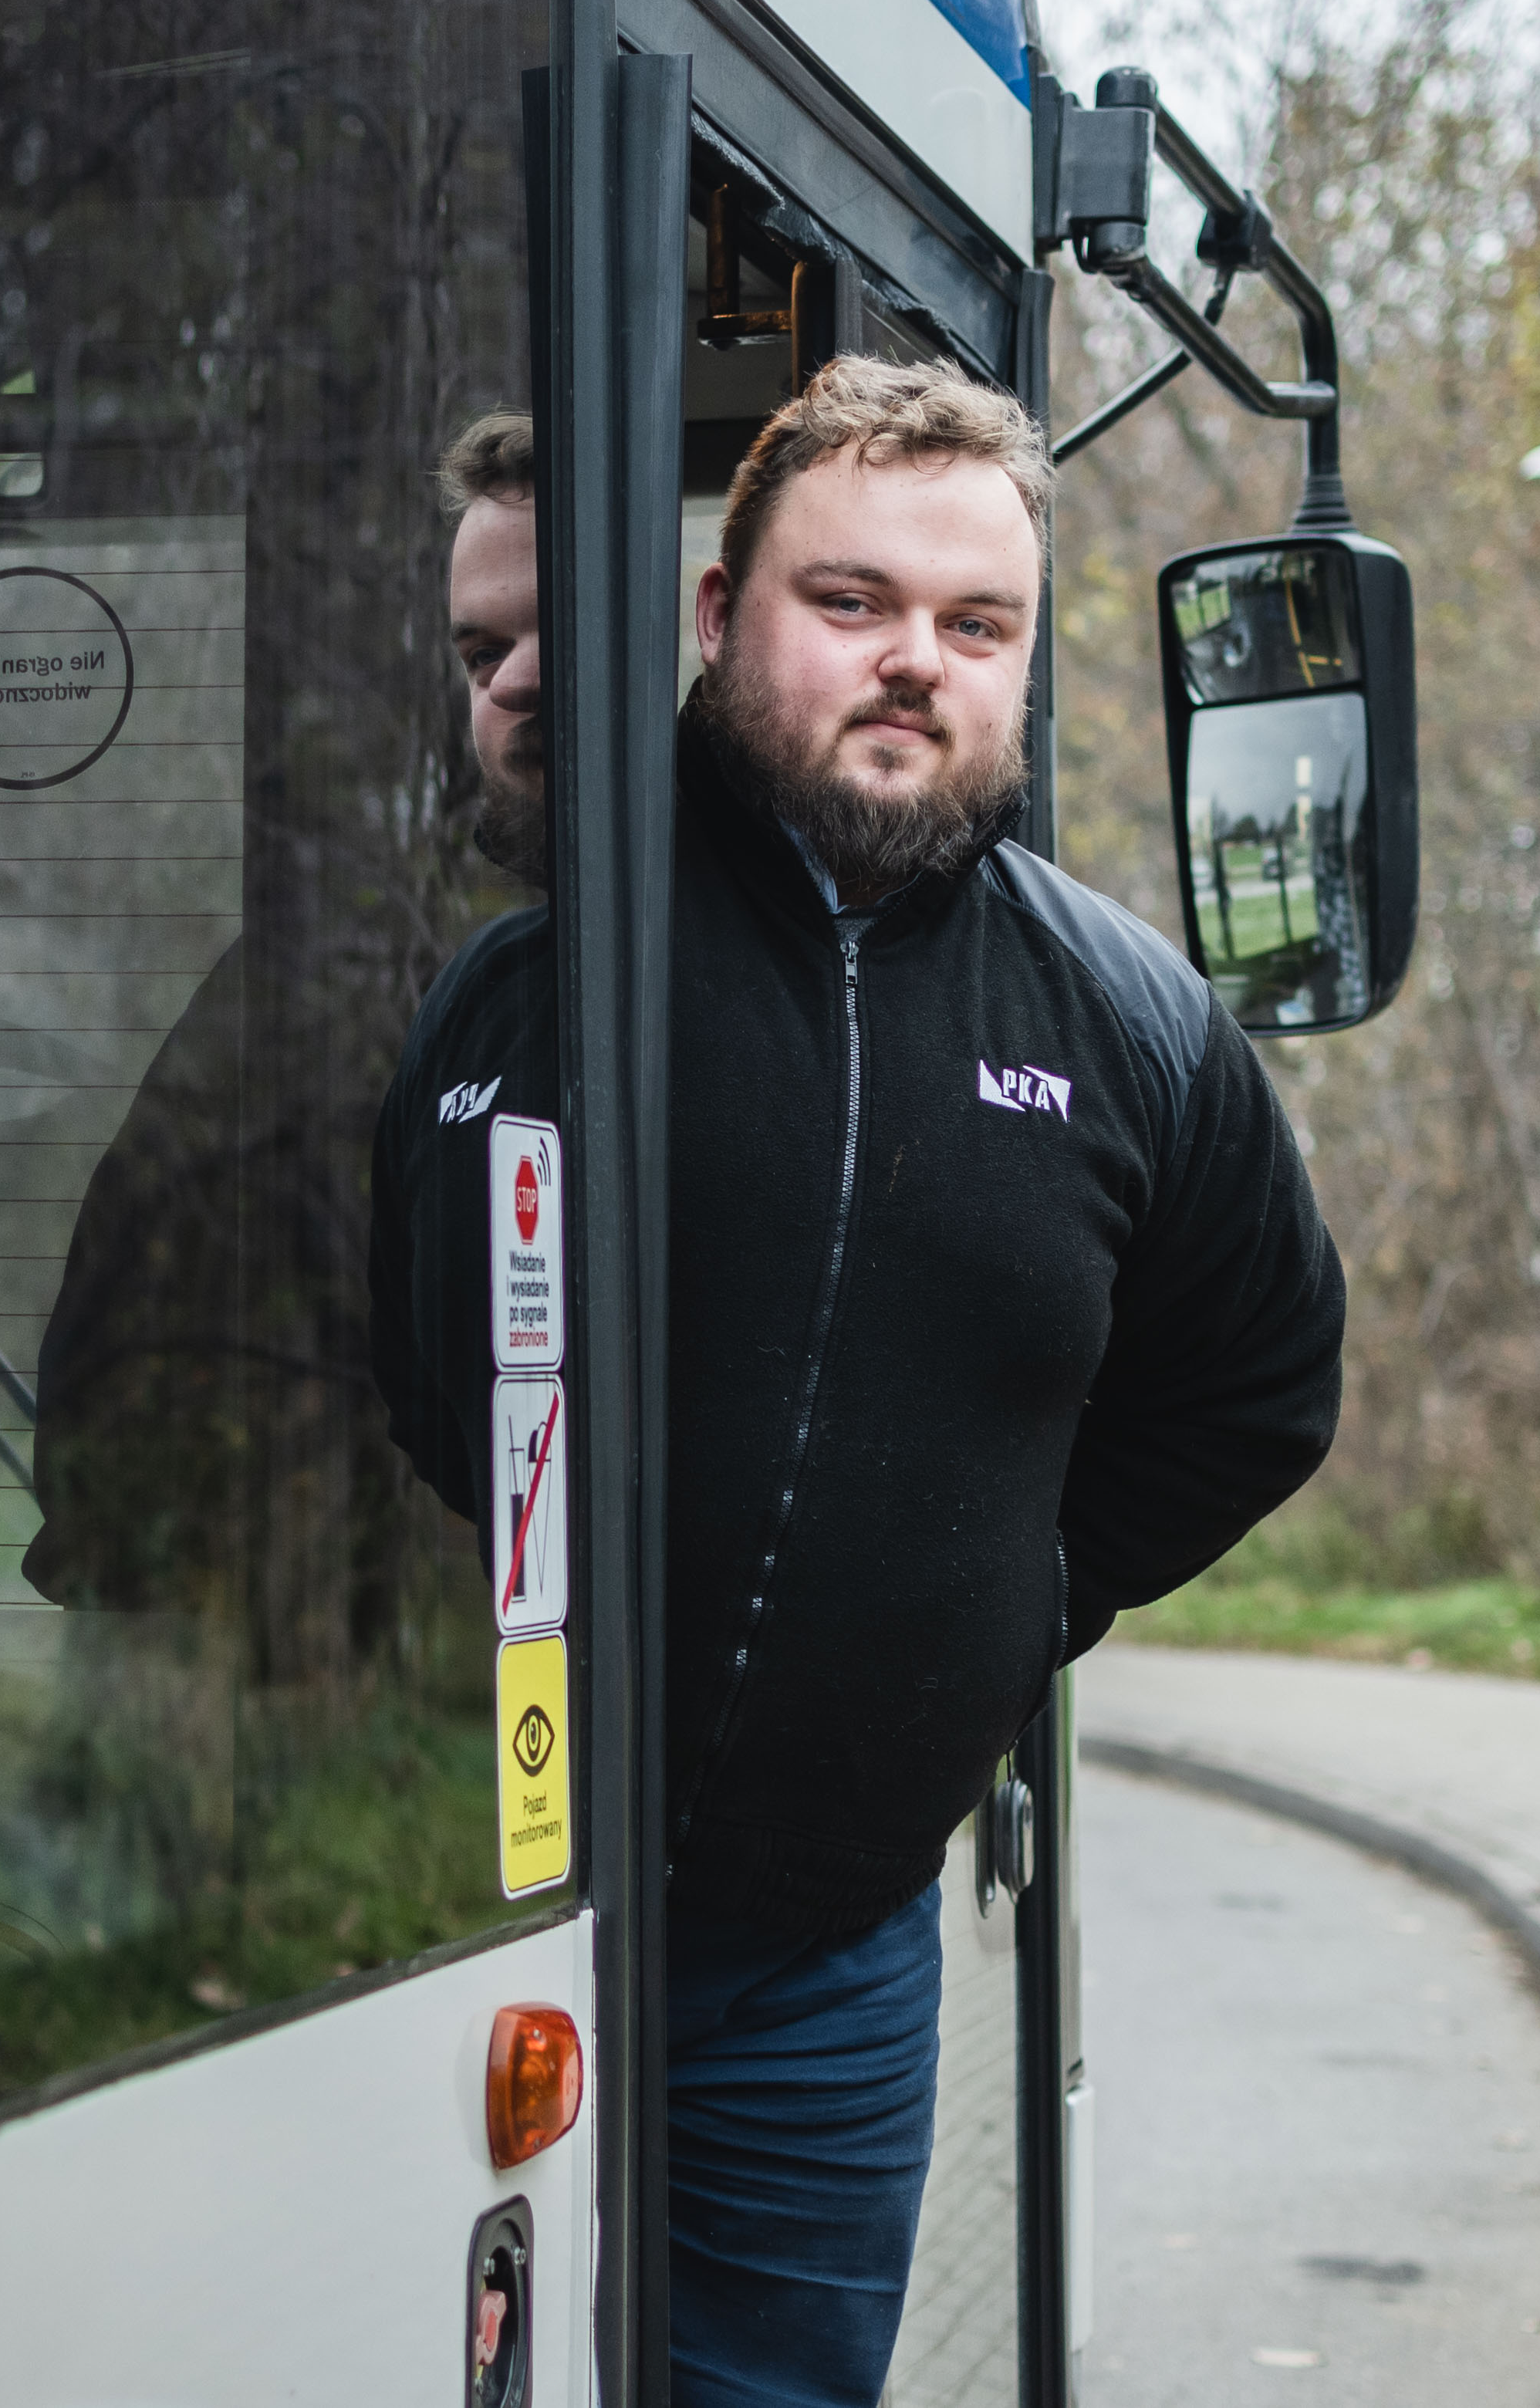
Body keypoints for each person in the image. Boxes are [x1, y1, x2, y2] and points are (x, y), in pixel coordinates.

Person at [372, 362, 1345, 2408]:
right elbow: (407, 1374)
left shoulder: (1128, 1025)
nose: (913, 660)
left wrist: (1002, 1598)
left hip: (826, 1956)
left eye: (972, 624)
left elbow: (1255, 1387)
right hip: (474, 1914)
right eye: (850, 600)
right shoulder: (539, 975)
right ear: (721, 616)